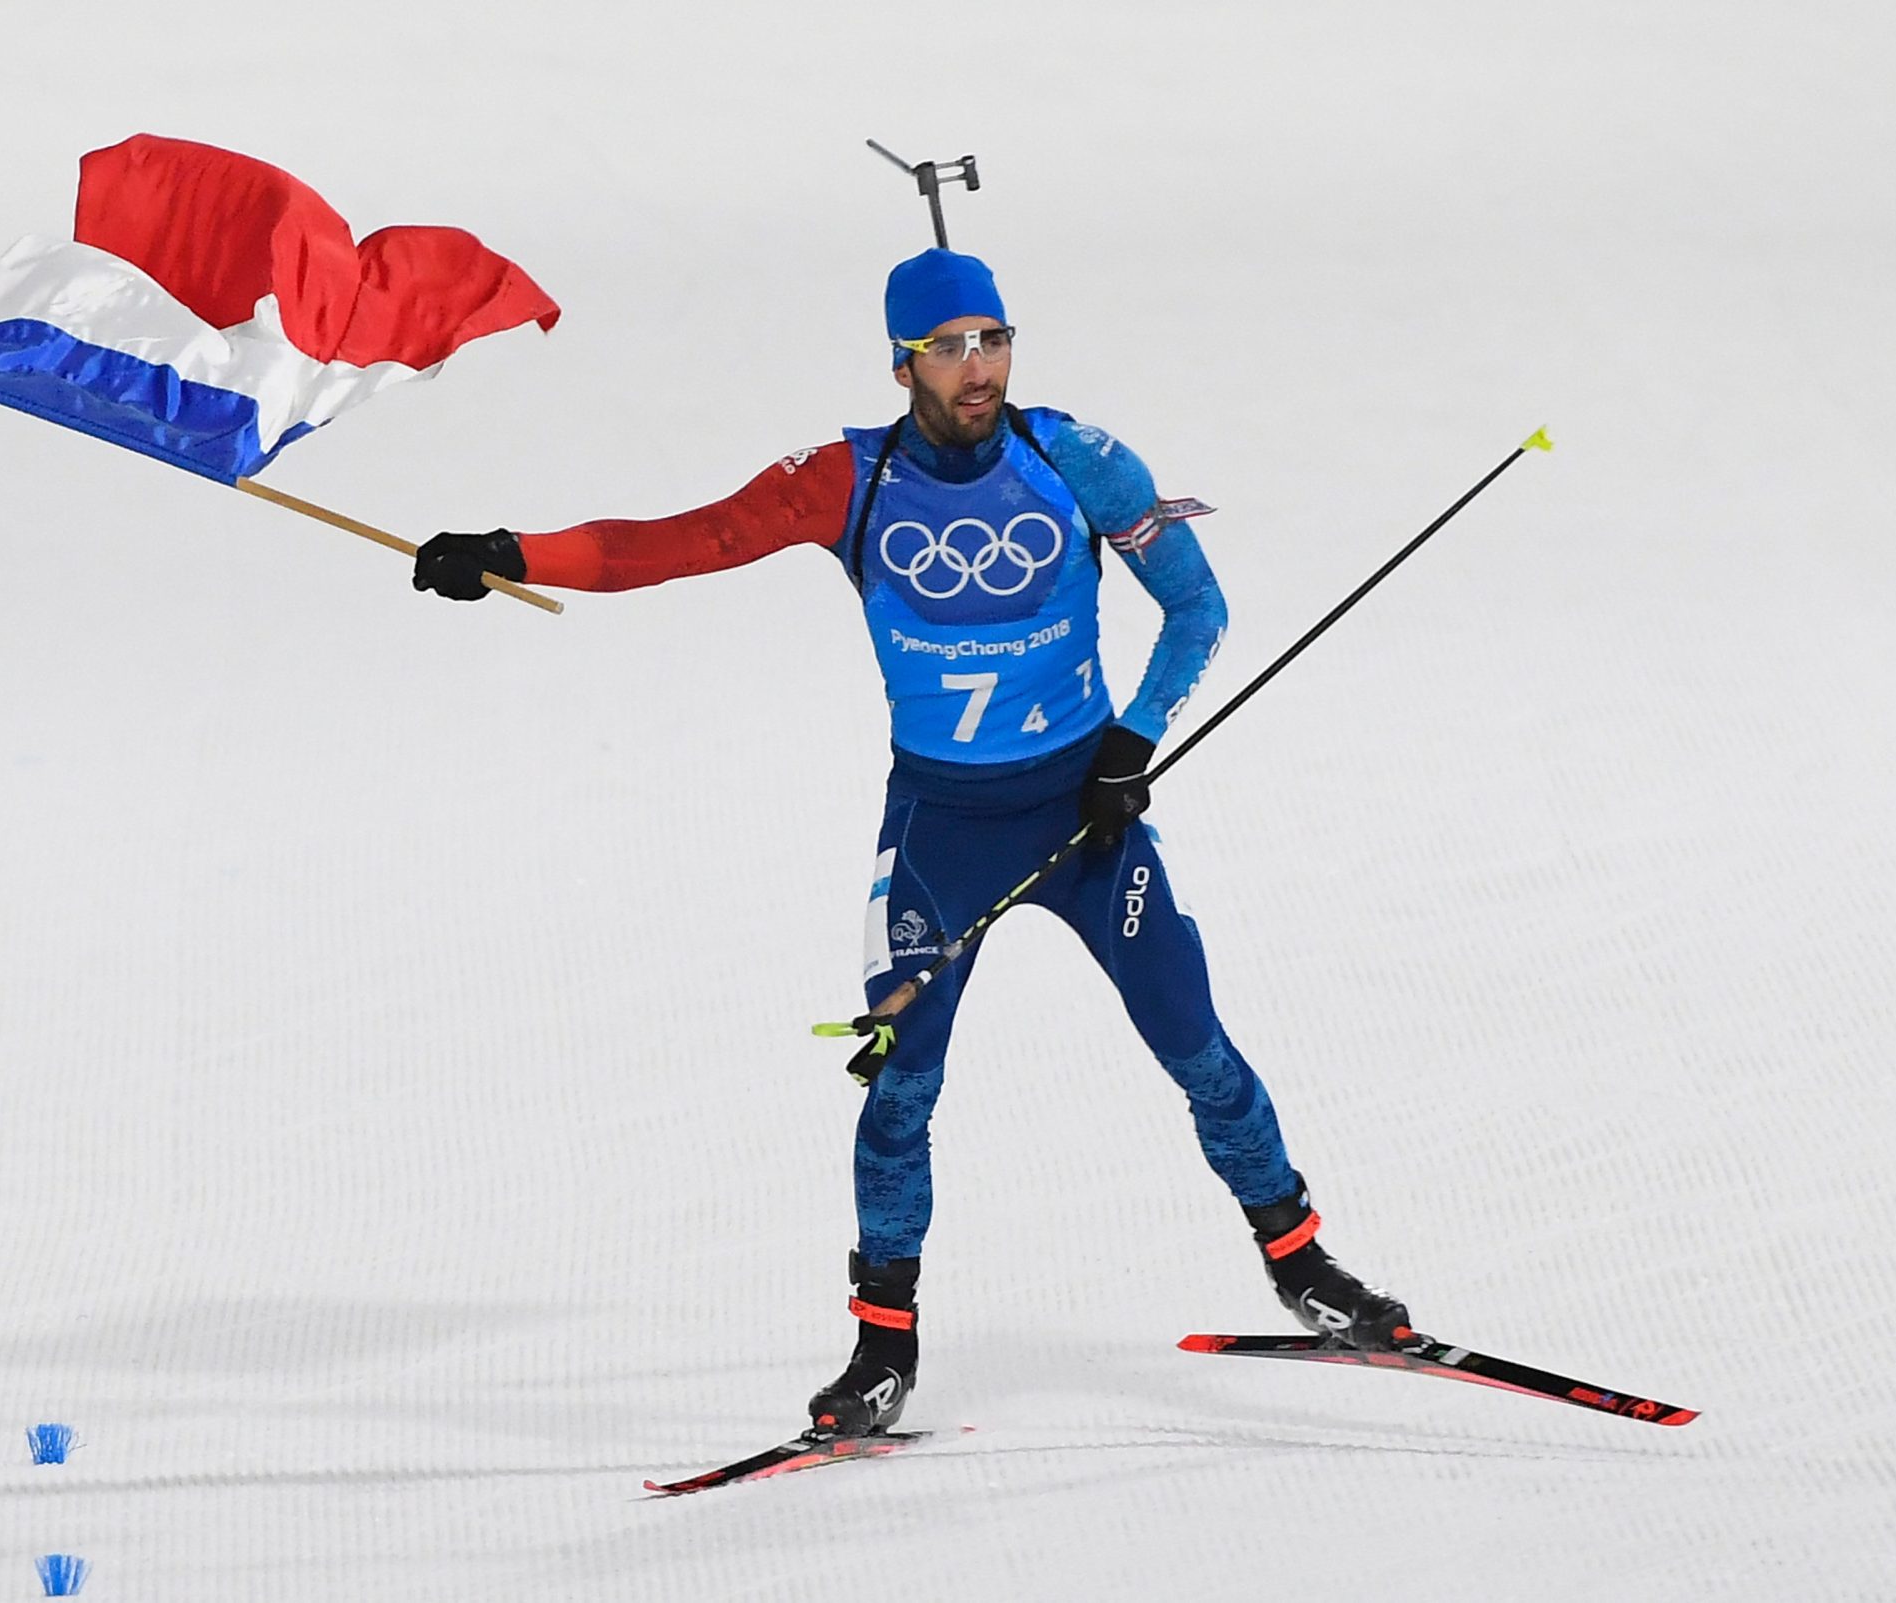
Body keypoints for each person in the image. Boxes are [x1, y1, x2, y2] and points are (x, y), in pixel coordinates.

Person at [412, 248, 1410, 1437]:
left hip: (1083, 820)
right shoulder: (846, 479)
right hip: (942, 827)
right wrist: (510, 552)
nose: (977, 368)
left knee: (1193, 1043)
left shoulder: (1077, 460)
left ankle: (1303, 1268)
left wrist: (1128, 746)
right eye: (948, 348)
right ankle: (882, 1350)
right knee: (901, 1087)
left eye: (993, 339)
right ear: (901, 362)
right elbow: (671, 545)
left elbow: (1196, 607)